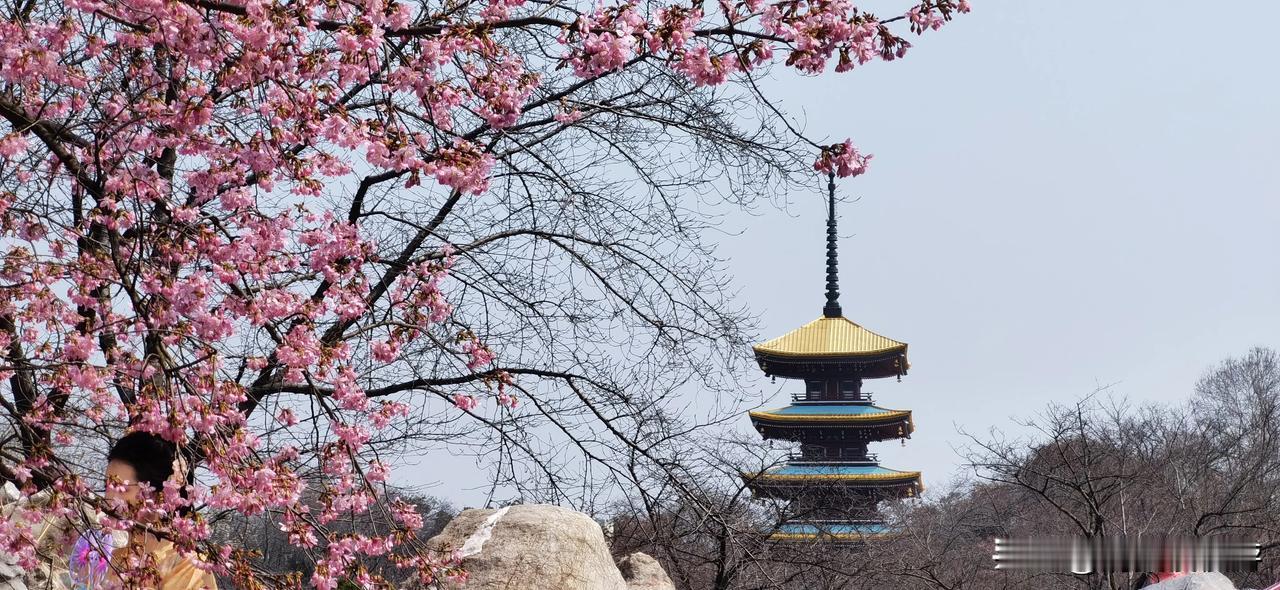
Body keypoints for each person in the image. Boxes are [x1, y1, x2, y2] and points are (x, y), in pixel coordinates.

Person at [104, 431, 216, 590]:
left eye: (122, 489)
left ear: (158, 496)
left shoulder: (187, 565)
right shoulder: (109, 560)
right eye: (106, 487)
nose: (109, 498)